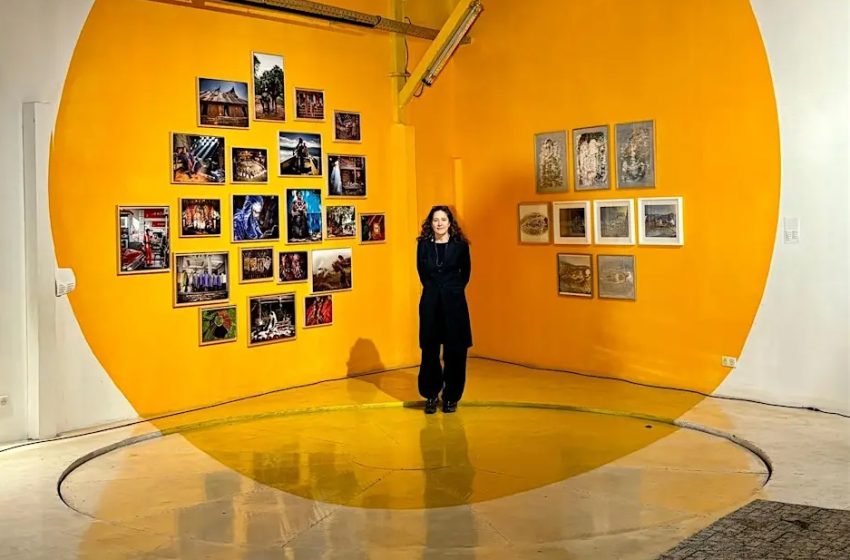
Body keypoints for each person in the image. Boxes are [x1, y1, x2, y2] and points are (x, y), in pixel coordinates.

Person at [416, 205, 472, 414]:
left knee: (455, 352)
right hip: (430, 303)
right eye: (435, 220)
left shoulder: (460, 246)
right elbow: (421, 272)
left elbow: (465, 273)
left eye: (443, 220)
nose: (439, 223)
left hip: (454, 303)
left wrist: (451, 290)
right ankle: (431, 394)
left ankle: (451, 397)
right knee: (429, 351)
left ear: (450, 223)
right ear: (430, 223)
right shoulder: (423, 245)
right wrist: (435, 290)